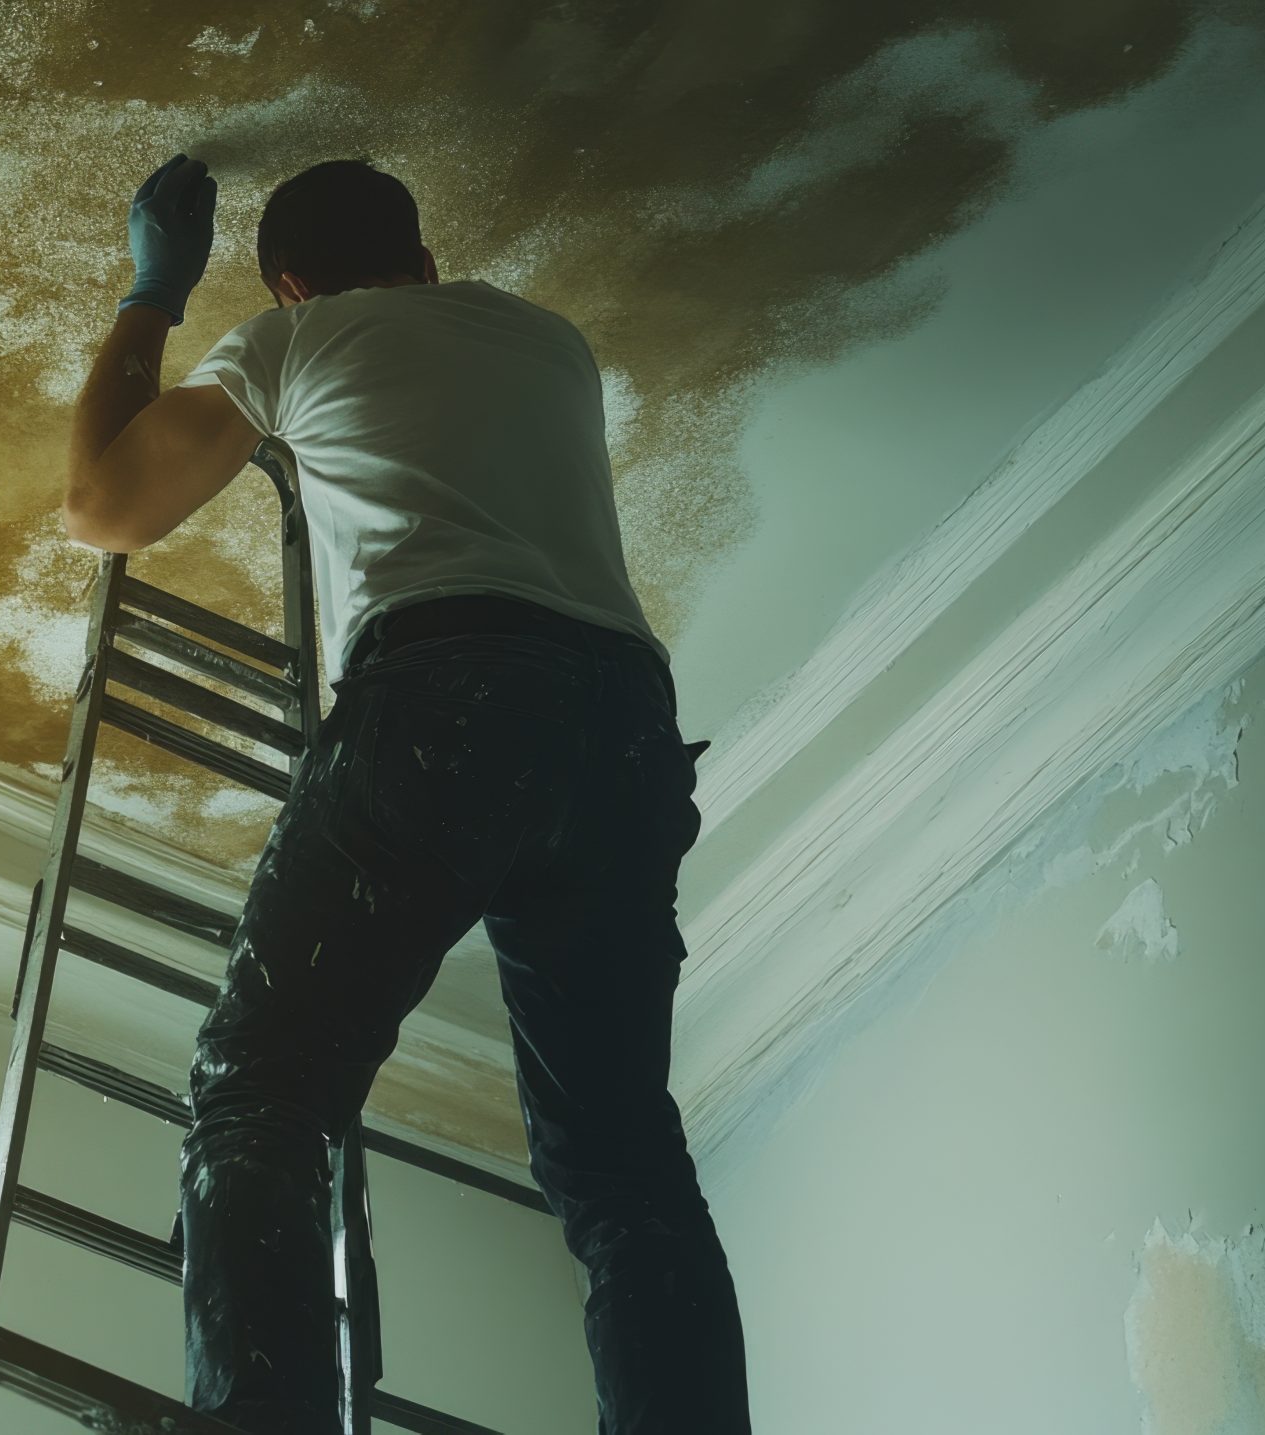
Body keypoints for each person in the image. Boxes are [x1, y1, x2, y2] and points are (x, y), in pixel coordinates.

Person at [62, 153, 752, 1434]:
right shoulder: (552, 342)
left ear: (289, 282)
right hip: (623, 735)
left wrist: (153, 294)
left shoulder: (293, 336)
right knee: (621, 1171)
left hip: (449, 701)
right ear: (428, 261)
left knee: (257, 1091)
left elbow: (105, 508)